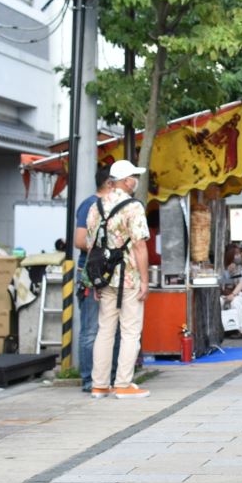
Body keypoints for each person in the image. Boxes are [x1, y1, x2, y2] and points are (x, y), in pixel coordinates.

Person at [87, 159, 151, 399]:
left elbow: (92, 246)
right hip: (129, 276)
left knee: (104, 331)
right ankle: (123, 383)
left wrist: (93, 280)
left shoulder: (97, 207)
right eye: (134, 176)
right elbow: (140, 246)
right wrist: (145, 281)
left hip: (103, 276)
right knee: (130, 331)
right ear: (126, 181)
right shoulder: (133, 207)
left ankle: (99, 384)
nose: (136, 181)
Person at [74, 165, 118, 392]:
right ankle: (89, 381)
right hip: (91, 274)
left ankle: (109, 377)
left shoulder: (117, 206)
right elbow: (79, 240)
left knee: (112, 328)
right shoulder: (90, 205)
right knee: (91, 329)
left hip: (112, 275)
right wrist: (106, 246)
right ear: (110, 183)